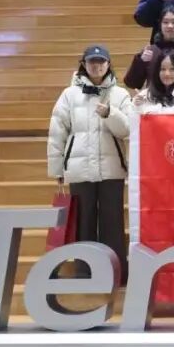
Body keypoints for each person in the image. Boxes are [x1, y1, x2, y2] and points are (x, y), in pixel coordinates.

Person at [47, 45, 132, 279]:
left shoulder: (120, 95)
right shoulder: (69, 95)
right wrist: (57, 169)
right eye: (92, 61)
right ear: (84, 64)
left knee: (112, 223)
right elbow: (57, 132)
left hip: (112, 169)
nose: (96, 66)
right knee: (83, 222)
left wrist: (110, 114)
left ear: (108, 64)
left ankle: (116, 272)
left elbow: (128, 129)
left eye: (101, 61)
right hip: (79, 168)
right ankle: (84, 272)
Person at [124, 5, 174, 91]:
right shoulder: (150, 51)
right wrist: (140, 62)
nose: (170, 26)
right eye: (165, 22)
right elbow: (131, 83)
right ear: (160, 25)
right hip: (154, 99)